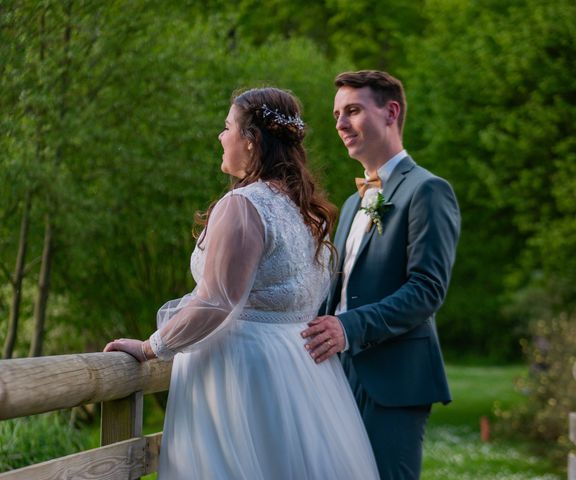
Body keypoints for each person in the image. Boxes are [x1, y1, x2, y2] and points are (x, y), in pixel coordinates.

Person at [104, 87, 380, 479]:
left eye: (228, 126)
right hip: (299, 370)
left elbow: (217, 302)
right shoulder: (306, 211)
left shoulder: (244, 205)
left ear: (251, 141)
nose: (221, 137)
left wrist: (152, 346)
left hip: (240, 375)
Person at [301, 70, 461, 479]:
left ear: (391, 112)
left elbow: (426, 290)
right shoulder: (353, 203)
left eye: (352, 110)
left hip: (393, 380)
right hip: (336, 373)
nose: (339, 123)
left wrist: (348, 327)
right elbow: (337, 291)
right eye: (337, 114)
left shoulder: (427, 190)